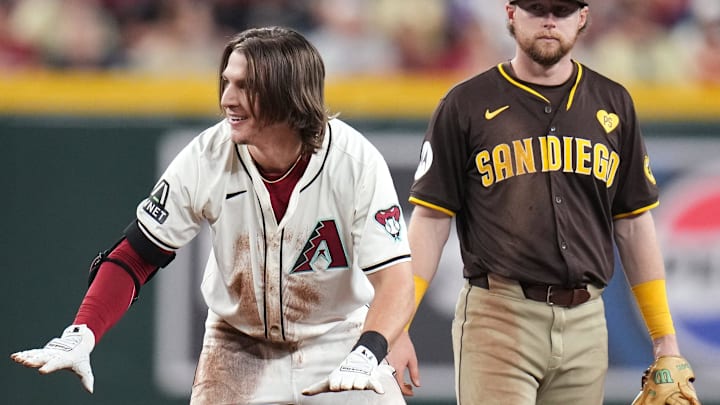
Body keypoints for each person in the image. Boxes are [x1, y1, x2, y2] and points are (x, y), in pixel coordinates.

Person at [11, 26, 414, 405]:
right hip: (237, 345)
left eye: (244, 86)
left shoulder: (354, 162)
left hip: (339, 339)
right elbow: (136, 255)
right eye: (226, 82)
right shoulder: (207, 155)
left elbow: (395, 280)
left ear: (286, 93)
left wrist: (370, 350)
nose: (227, 98)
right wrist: (83, 331)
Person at [388, 1, 701, 404]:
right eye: (538, 8)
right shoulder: (466, 103)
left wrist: (665, 340)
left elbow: (634, 223)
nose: (550, 20)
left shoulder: (613, 102)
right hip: (499, 315)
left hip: (587, 320)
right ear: (512, 13)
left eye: (563, 9)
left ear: (583, 17)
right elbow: (430, 221)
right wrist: (398, 327)